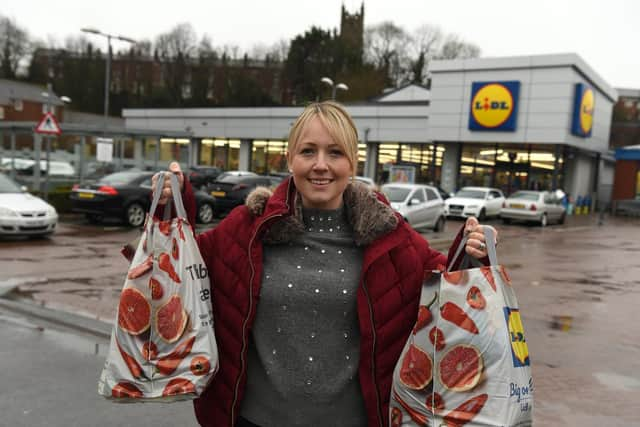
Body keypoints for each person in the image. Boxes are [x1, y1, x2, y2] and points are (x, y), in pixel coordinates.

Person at [152, 101, 497, 427]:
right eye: (308, 151)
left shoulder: (391, 238)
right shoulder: (248, 228)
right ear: (290, 159)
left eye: (335, 152)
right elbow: (179, 271)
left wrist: (473, 252)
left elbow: (448, 288)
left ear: (353, 163)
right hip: (251, 420)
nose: (320, 164)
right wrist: (174, 205)